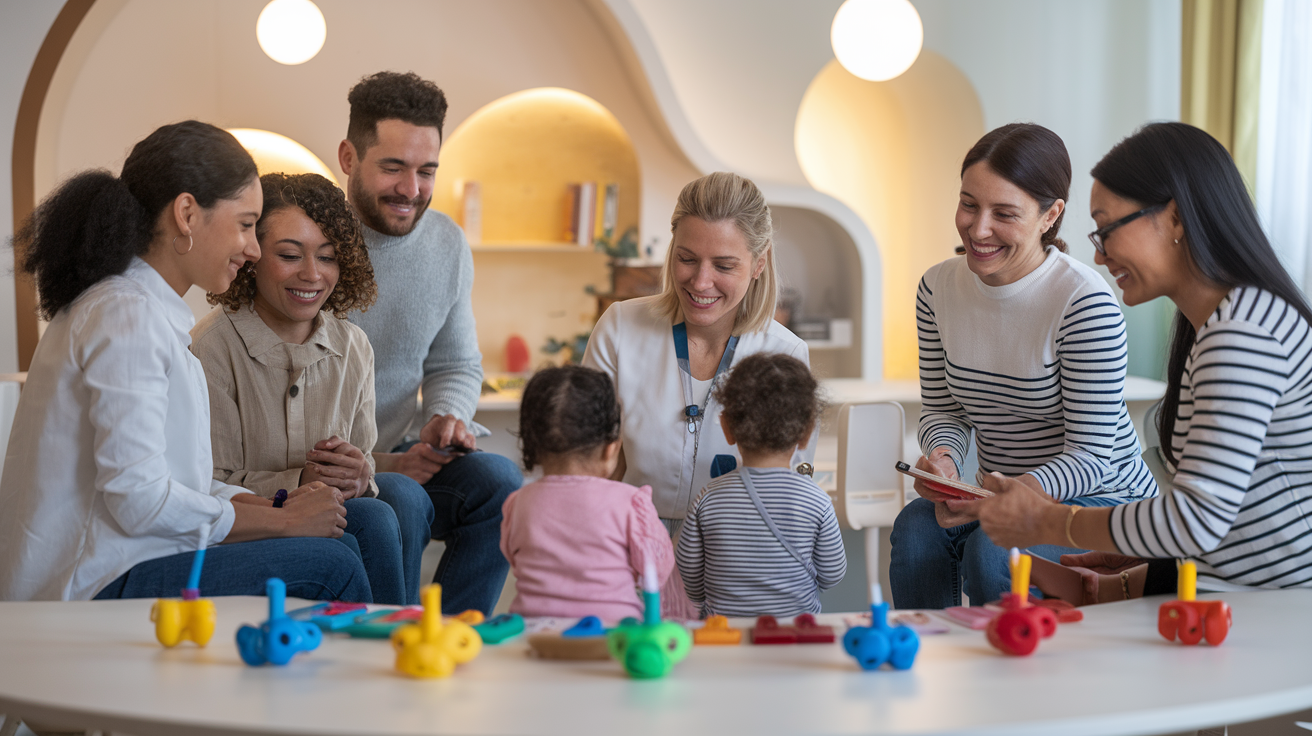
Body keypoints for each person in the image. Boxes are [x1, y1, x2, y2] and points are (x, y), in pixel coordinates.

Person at [0, 122, 370, 602]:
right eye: (244, 225)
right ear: (187, 214)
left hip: (122, 558)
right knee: (333, 565)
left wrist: (281, 502)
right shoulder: (126, 317)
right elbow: (139, 501)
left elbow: (181, 486)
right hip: (90, 580)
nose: (253, 249)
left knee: (359, 531)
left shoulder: (141, 311)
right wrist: (282, 519)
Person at [976, 122, 1312, 596]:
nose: (1100, 256)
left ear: (1174, 219)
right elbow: (1233, 517)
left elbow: (1195, 520)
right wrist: (1126, 575)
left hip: (1275, 618)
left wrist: (1049, 521)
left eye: (1107, 229)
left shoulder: (1242, 332)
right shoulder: (1227, 322)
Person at [889, 123, 1157, 609]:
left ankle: (1020, 676)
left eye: (1004, 213)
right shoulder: (936, 289)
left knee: (995, 552)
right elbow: (944, 410)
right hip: (1001, 494)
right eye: (969, 204)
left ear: (1049, 215)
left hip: (1101, 500)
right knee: (915, 531)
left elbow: (1094, 456)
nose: (978, 228)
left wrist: (1010, 499)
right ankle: (928, 665)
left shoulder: (1082, 301)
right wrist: (946, 462)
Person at [192, 172, 434, 605]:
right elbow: (207, 485)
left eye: (328, 257)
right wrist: (297, 482)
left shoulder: (354, 347)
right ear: (251, 256)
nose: (311, 274)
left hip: (329, 520)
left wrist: (361, 476)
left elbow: (363, 463)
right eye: (289, 254)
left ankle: (391, 646)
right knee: (347, 542)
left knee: (377, 513)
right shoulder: (211, 349)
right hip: (246, 533)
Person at [582, 171, 815, 617]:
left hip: (740, 560)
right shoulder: (619, 328)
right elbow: (591, 467)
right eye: (687, 258)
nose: (700, 282)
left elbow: (788, 487)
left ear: (759, 262)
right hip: (630, 554)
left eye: (724, 266)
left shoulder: (785, 352)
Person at [337, 71, 523, 614]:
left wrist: (445, 416)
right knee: (402, 497)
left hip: (402, 454)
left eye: (426, 171)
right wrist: (378, 464)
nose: (411, 190)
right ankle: (391, 640)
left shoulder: (446, 244)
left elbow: (457, 363)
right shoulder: (308, 242)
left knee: (501, 482)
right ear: (349, 157)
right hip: (327, 466)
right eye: (392, 168)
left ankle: (452, 630)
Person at [676, 353, 845, 617]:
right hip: (796, 635)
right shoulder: (816, 501)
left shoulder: (708, 498)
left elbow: (691, 577)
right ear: (807, 433)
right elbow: (832, 575)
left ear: (727, 427)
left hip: (726, 638)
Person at [499, 365, 673, 622]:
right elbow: (656, 572)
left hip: (533, 635)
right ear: (611, 449)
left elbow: (514, 560)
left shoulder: (518, 503)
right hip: (612, 637)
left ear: (533, 446)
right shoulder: (631, 503)